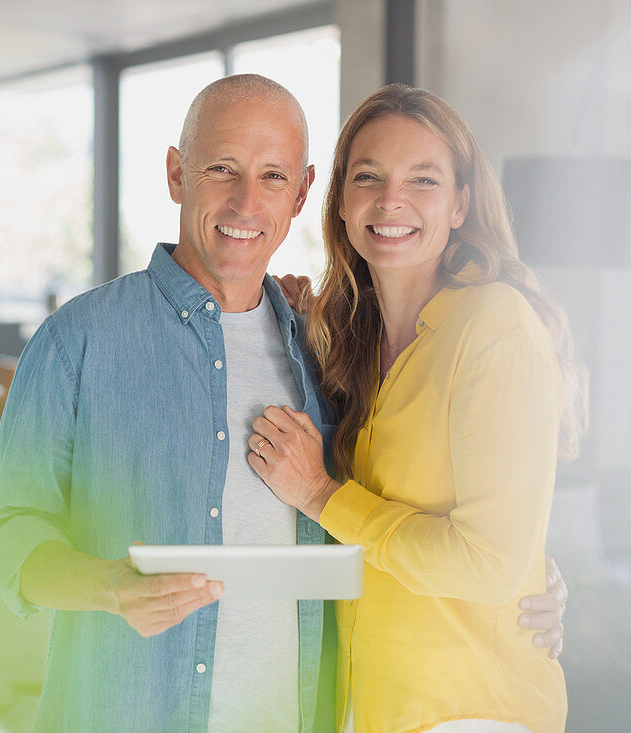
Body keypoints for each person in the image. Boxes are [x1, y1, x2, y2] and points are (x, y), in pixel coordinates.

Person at [0, 75, 566, 733]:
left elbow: (430, 520)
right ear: (176, 173)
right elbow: (5, 535)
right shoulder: (80, 339)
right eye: (221, 168)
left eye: (273, 176)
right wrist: (109, 587)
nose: (246, 201)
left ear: (305, 191)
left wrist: (526, 570)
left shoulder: (323, 353)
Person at [249, 84, 585, 733]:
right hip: (372, 704)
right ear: (341, 200)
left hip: (473, 710)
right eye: (367, 176)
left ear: (460, 204)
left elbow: (489, 563)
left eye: (422, 180)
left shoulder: (495, 325)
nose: (389, 200)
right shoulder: (348, 339)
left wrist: (322, 494)